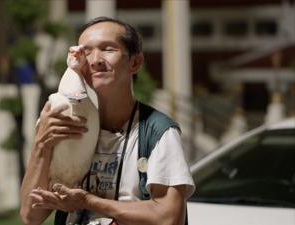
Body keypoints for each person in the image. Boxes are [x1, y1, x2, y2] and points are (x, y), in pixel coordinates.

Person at [20, 17, 195, 225]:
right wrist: (41, 144)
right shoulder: (66, 121)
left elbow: (169, 217)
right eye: (86, 52)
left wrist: (88, 201)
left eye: (108, 49)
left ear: (135, 62)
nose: (95, 60)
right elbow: (31, 216)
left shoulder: (158, 131)